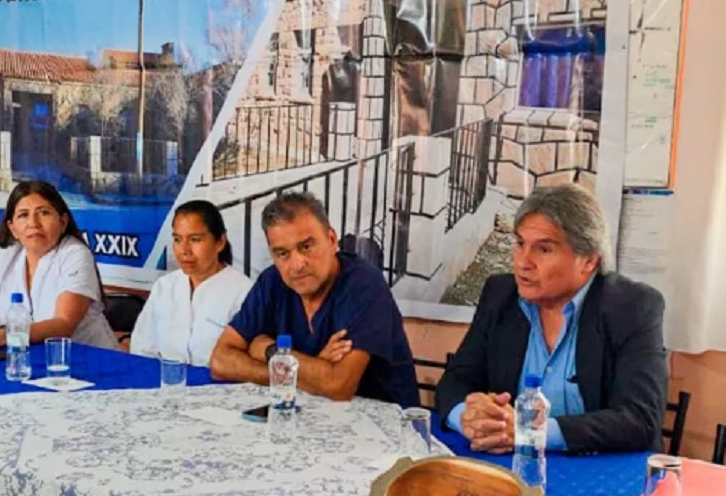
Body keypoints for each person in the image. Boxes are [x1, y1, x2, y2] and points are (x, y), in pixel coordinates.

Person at [436, 183, 667, 454]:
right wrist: (468, 416)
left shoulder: (632, 307)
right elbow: (456, 380)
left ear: (589, 261)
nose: (523, 262)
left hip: (600, 473)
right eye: (520, 244)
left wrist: (530, 431)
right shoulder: (501, 295)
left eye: (543, 249)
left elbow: (640, 420)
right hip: (513, 467)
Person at [209, 192, 419, 405]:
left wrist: (268, 350)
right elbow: (220, 362)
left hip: (383, 425)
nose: (297, 264)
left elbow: (338, 386)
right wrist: (302, 370)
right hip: (305, 417)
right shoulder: (272, 281)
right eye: (283, 253)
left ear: (331, 239)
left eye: (307, 247)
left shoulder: (363, 284)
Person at [0, 181, 118, 350]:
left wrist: (2, 336)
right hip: (27, 359)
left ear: (62, 222)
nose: (33, 223)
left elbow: (63, 324)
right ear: (13, 228)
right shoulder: (3, 257)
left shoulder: (75, 254)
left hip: (88, 359)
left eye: (43, 213)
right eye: (23, 215)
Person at [131, 200, 252, 366]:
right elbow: (142, 349)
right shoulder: (165, 287)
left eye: (195, 239)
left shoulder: (243, 292)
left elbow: (244, 362)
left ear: (220, 242)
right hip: (165, 384)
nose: (184, 250)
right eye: (177, 239)